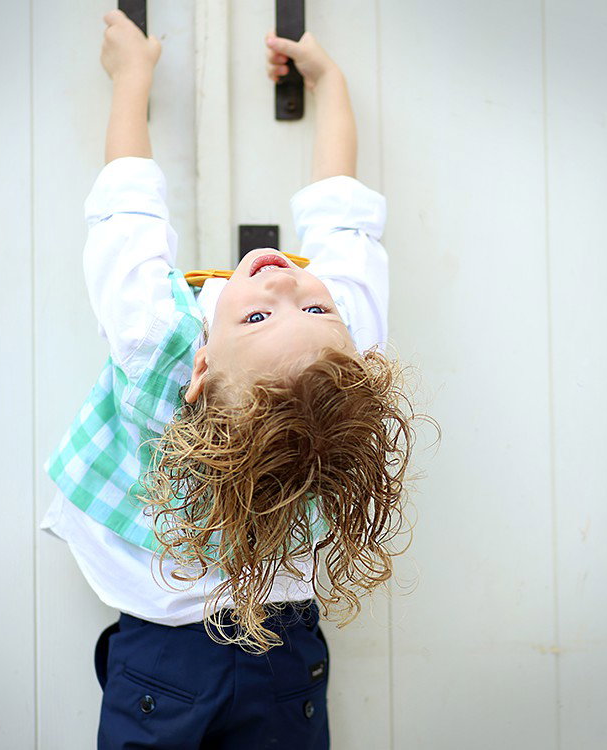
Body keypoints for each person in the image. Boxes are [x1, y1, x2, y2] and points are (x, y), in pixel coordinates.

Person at [41, 10, 432, 748]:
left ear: (200, 368)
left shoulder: (153, 335)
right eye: (312, 306)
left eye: (259, 317)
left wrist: (132, 74)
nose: (286, 284)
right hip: (285, 650)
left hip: (160, 649)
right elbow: (344, 219)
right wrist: (331, 84)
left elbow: (127, 206)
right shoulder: (343, 340)